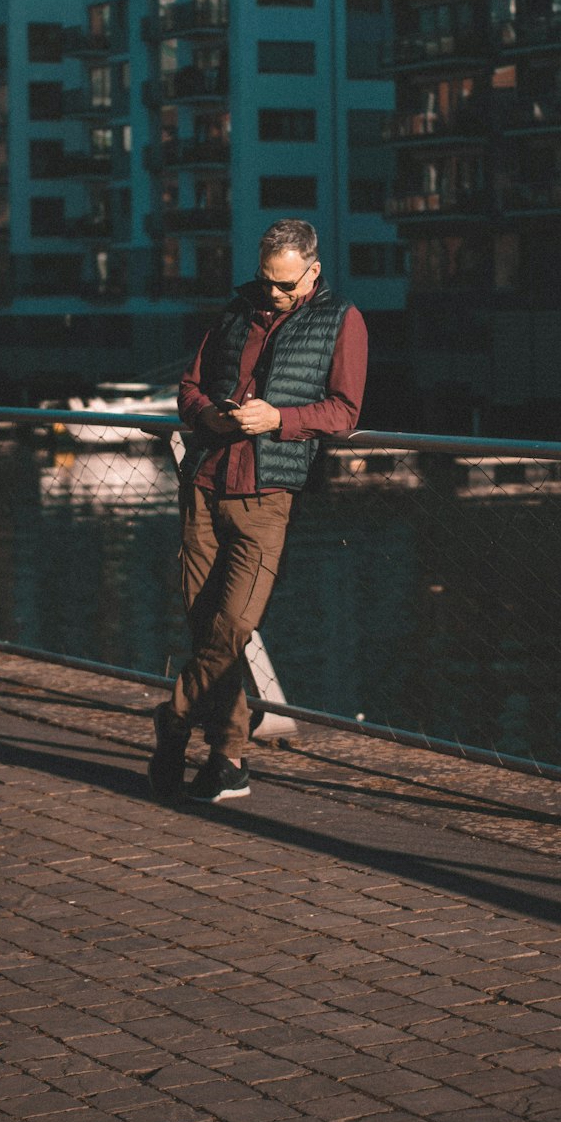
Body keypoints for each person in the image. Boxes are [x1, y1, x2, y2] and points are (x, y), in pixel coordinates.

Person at [149, 219, 368, 804]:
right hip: (203, 482)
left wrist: (279, 420)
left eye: (285, 284)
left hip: (267, 493)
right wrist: (208, 417)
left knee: (233, 626)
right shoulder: (234, 310)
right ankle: (229, 759)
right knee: (207, 628)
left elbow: (345, 412)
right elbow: (190, 388)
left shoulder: (341, 319)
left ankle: (171, 719)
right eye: (266, 281)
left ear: (313, 272)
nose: (273, 293)